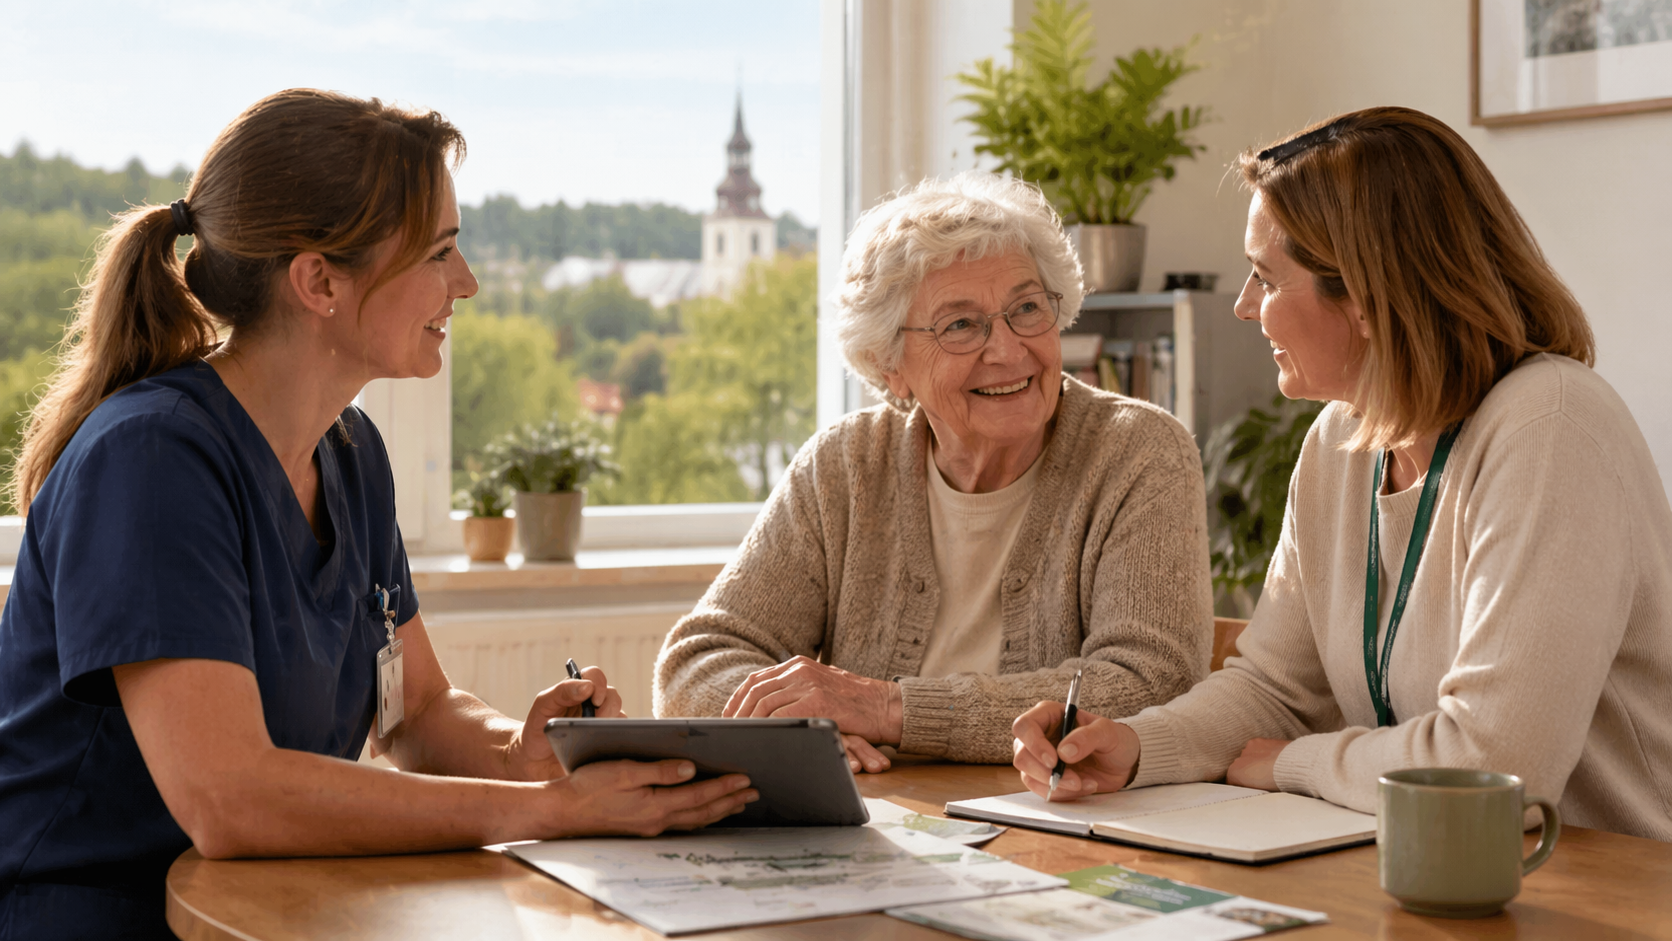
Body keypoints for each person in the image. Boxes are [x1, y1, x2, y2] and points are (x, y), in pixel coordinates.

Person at [0, 90, 755, 941]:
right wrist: (550, 808)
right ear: (319, 280)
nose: (464, 283)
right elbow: (229, 797)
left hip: (280, 913)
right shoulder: (151, 460)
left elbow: (418, 712)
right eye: (439, 253)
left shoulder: (349, 451)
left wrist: (525, 753)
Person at [1011, 106, 1672, 842]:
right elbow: (1274, 689)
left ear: (1361, 294)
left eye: (1265, 277)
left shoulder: (1552, 427)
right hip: (1432, 870)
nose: (1242, 305)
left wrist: (1297, 764)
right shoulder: (1342, 439)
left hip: (1611, 889)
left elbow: (1497, 767)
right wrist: (1135, 747)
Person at [654, 172, 1214, 772]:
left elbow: (1150, 683)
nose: (1007, 349)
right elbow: (700, 659)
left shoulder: (1139, 452)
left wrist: (891, 709)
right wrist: (796, 732)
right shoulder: (844, 467)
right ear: (888, 365)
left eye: (1027, 308)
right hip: (885, 831)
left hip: (1065, 827)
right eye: (960, 325)